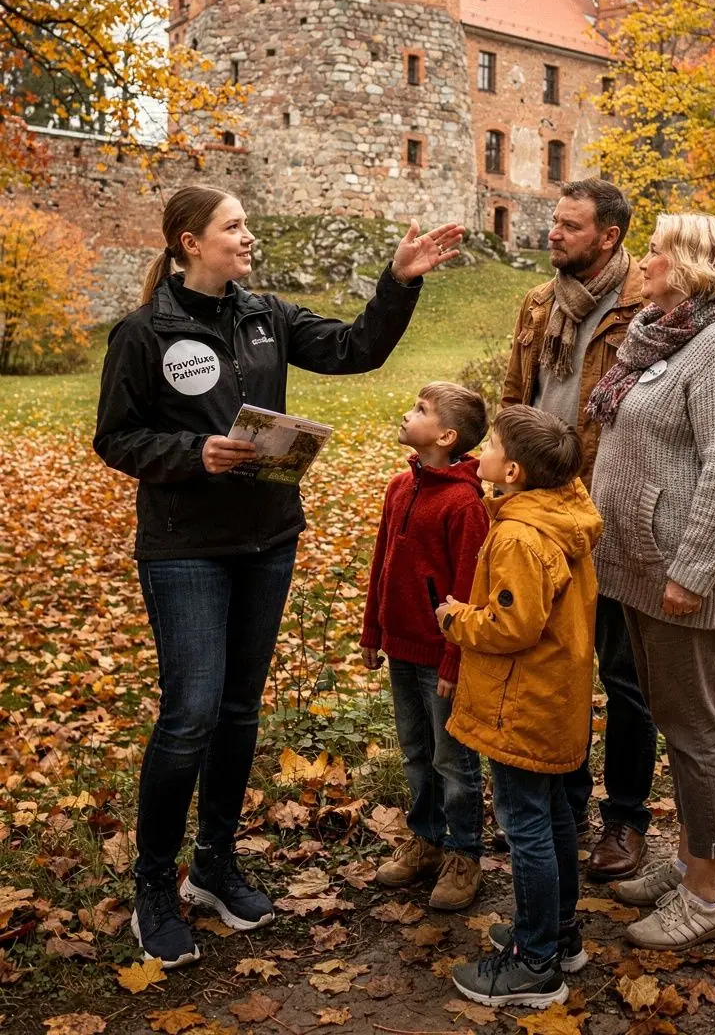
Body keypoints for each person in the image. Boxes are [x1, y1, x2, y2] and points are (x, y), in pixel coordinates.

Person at [93, 184, 463, 969]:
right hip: (186, 546)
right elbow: (117, 438)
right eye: (234, 227)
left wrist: (398, 281)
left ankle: (216, 866)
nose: (247, 236)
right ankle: (155, 885)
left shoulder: (265, 316)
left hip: (267, 539)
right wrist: (193, 455)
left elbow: (355, 349)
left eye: (246, 226)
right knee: (189, 713)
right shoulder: (142, 332)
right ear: (191, 243)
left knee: (237, 712)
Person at [587, 213, 715, 950]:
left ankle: (708, 892)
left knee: (694, 731)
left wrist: (690, 572)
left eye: (656, 250)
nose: (646, 260)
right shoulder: (666, 337)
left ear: (690, 263)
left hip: (684, 571)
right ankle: (692, 858)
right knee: (671, 716)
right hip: (638, 566)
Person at [502, 178, 657, 882]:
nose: (553, 233)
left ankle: (624, 820)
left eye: (569, 226)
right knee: (551, 670)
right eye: (554, 221)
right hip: (542, 518)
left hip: (615, 517)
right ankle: (561, 803)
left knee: (624, 676)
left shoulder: (648, 309)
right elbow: (515, 403)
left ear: (609, 236)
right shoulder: (540, 303)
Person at [437, 406, 601, 1009]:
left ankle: (535, 964)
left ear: (511, 470)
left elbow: (513, 625)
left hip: (521, 702)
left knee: (525, 823)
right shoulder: (564, 515)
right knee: (553, 813)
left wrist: (458, 618)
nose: (479, 449)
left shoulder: (518, 536)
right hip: (555, 696)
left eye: (492, 445)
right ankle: (558, 932)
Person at [360, 382, 490, 910]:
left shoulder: (465, 504)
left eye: (420, 410)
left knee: (452, 760)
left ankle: (464, 853)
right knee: (416, 752)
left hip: (442, 659)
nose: (408, 413)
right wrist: (373, 631)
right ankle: (427, 840)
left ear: (446, 435)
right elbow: (381, 565)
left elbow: (470, 589)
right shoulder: (399, 487)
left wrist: (454, 659)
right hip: (401, 648)